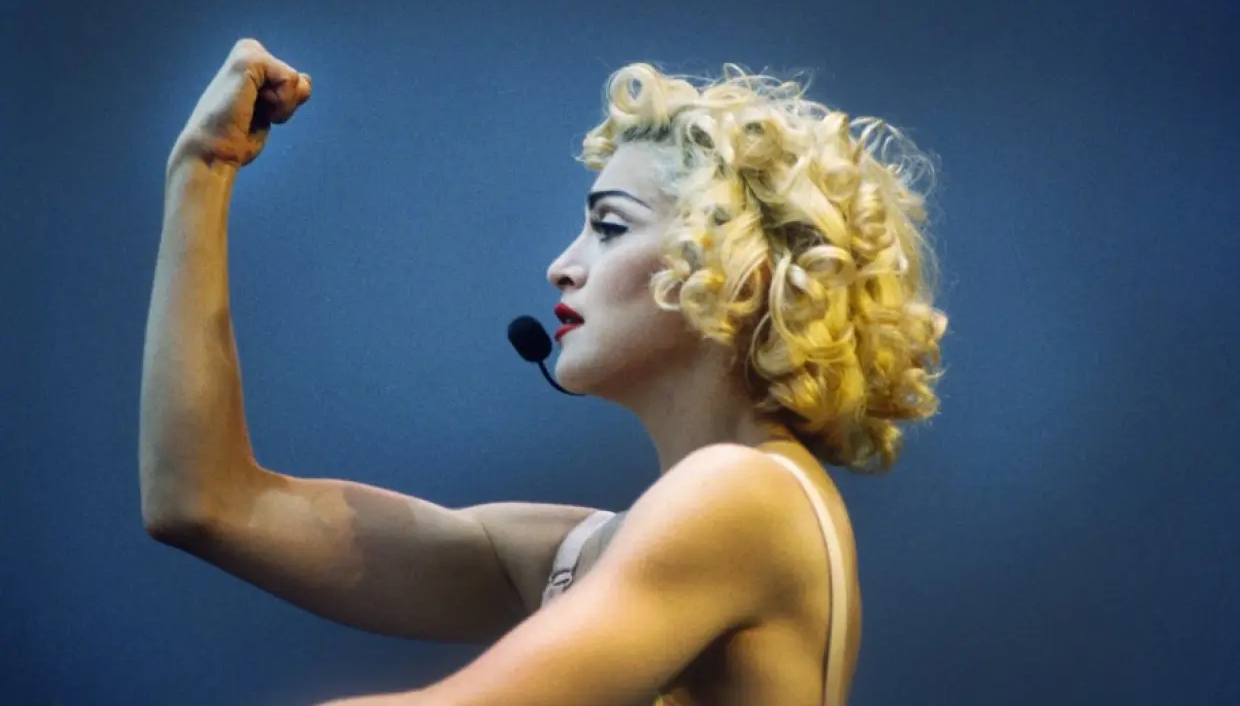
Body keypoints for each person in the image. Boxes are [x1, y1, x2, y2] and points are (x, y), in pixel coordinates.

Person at [140, 38, 948, 706]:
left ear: (741, 270)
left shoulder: (743, 494)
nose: (561, 266)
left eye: (609, 227)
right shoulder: (605, 545)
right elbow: (202, 503)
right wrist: (202, 169)